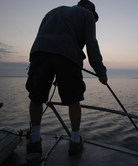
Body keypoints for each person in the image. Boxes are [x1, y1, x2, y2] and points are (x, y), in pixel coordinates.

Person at [25, 0, 107, 155]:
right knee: (73, 99)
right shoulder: (86, 14)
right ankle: (75, 141)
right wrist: (100, 71)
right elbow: (91, 43)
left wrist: (33, 58)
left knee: (36, 98)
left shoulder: (53, 11)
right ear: (88, 6)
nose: (93, 18)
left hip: (40, 53)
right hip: (68, 56)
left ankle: (35, 140)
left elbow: (39, 35)